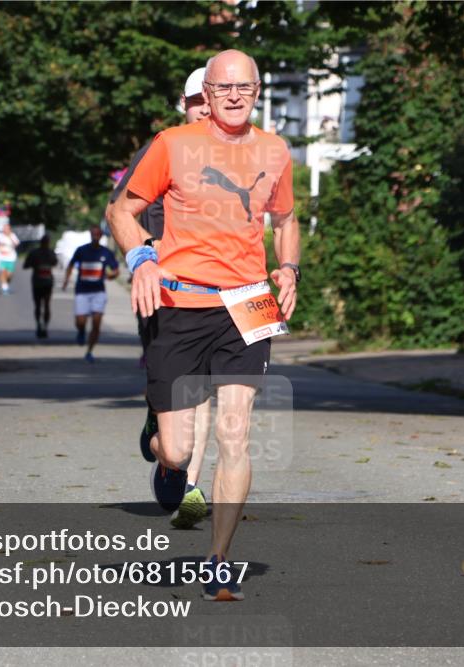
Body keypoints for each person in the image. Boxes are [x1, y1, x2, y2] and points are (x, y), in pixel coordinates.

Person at [108, 49, 300, 601]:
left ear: (258, 90)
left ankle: (218, 559)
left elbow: (285, 220)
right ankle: (168, 462)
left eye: (245, 87)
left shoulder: (275, 150)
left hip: (248, 302)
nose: (235, 96)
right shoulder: (173, 145)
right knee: (176, 447)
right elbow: (123, 210)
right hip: (180, 301)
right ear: (207, 94)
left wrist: (288, 267)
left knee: (234, 433)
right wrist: (142, 258)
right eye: (223, 88)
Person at [104, 67, 214, 530]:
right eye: (197, 100)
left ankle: (189, 486)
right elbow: (120, 210)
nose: (206, 107)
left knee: (205, 388)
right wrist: (146, 257)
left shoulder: (237, 154)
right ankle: (161, 429)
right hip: (164, 287)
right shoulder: (160, 147)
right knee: (178, 387)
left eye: (212, 97)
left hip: (215, 287)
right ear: (184, 104)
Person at [62, 225, 119, 363]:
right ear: (90, 235)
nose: (95, 237)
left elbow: (115, 269)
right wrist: (66, 280)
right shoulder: (81, 251)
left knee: (96, 322)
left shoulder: (106, 253)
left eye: (98, 235)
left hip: (98, 292)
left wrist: (112, 275)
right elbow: (71, 265)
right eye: (93, 234)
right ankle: (81, 331)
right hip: (82, 291)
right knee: (80, 321)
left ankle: (89, 351)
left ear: (101, 236)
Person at [23, 234, 58, 338]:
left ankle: (42, 326)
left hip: (43, 281)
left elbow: (55, 263)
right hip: (41, 281)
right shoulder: (44, 253)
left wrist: (36, 264)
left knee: (42, 305)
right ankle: (41, 326)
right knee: (43, 305)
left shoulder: (40, 253)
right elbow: (26, 265)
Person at [0, 222, 21, 294]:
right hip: (2, 257)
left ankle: (6, 283)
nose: (5, 230)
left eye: (7, 229)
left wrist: (10, 237)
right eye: (4, 228)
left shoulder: (13, 235)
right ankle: (4, 288)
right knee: (3, 272)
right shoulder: (0, 236)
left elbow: (16, 244)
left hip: (11, 258)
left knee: (9, 275)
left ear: (9, 229)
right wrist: (0, 245)